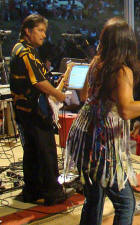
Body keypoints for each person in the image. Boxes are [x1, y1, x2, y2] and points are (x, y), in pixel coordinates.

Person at [64, 17, 140, 225]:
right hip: (101, 146)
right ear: (127, 43)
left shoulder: (96, 62)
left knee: (94, 199)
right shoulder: (122, 71)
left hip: (84, 135)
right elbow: (125, 110)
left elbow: (85, 95)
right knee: (126, 204)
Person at [9, 14, 73, 205]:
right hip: (33, 111)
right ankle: (53, 193)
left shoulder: (20, 48)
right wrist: (61, 96)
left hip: (23, 110)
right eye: (40, 30)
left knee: (32, 151)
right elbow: (39, 82)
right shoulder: (26, 53)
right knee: (46, 151)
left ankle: (32, 190)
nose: (44, 35)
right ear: (28, 31)